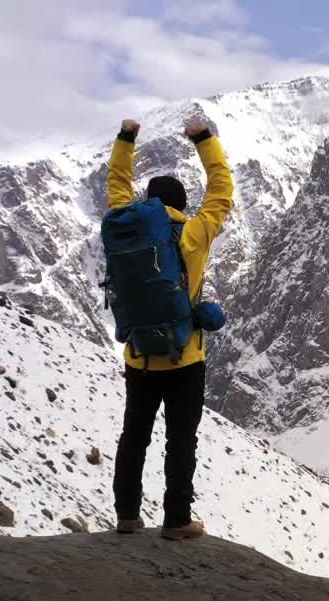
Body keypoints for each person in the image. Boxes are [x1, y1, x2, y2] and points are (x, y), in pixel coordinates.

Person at [107, 117, 233, 540]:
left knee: (134, 437)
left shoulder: (124, 224)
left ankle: (127, 516)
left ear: (147, 204)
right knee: (181, 441)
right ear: (181, 204)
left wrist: (126, 139)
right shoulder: (193, 233)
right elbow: (221, 190)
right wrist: (204, 140)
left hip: (139, 356)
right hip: (185, 357)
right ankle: (177, 520)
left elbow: (116, 184)